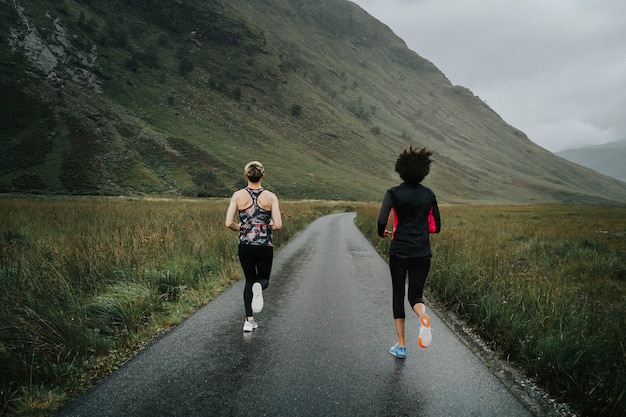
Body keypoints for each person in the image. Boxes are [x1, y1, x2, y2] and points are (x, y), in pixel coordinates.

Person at [377, 147, 441, 359]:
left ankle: (401, 346)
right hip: (422, 252)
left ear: (400, 170)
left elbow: (381, 220)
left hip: (400, 251)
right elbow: (436, 227)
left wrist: (382, 232)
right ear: (424, 171)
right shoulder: (429, 194)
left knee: (398, 294)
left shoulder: (393, 193)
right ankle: (423, 316)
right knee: (415, 295)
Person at [225, 161, 282, 332]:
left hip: (245, 244)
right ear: (262, 176)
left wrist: (241, 228)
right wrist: (267, 225)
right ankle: (261, 287)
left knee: (249, 280)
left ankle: (249, 321)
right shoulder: (271, 197)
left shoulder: (237, 195)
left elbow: (228, 223)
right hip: (264, 244)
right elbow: (278, 224)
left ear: (246, 176)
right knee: (263, 279)